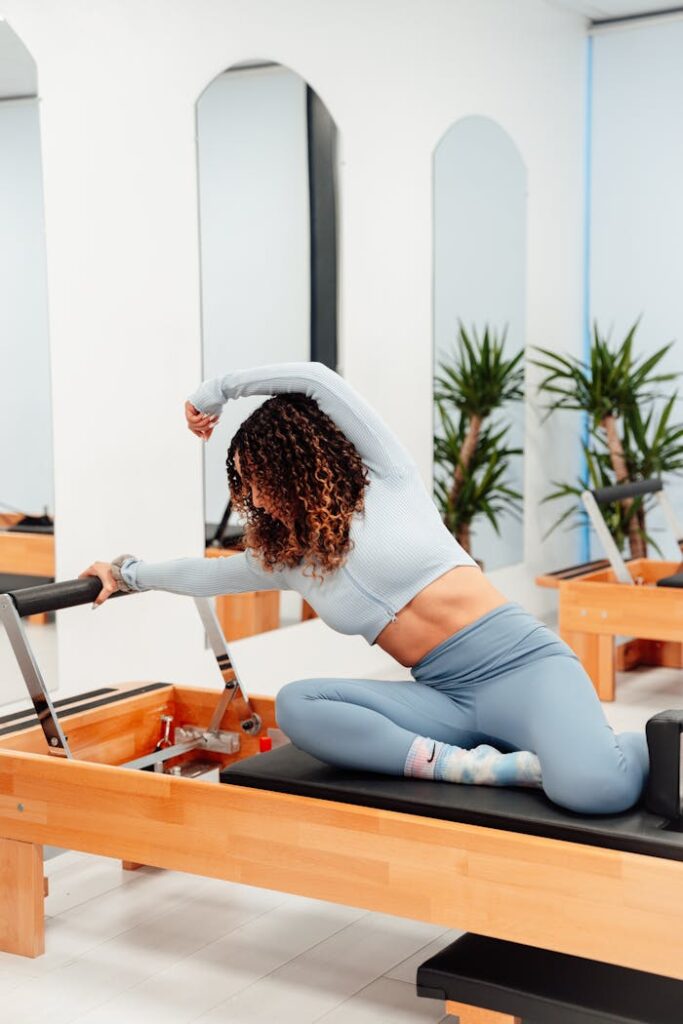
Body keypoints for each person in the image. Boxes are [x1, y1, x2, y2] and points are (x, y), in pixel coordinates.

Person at [79, 361, 650, 814]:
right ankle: (476, 767)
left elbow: (314, 379)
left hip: (522, 668)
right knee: (301, 706)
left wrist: (216, 391)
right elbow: (203, 573)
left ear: (298, 465)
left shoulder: (391, 481)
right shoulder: (287, 559)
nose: (257, 498)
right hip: (445, 699)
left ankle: (639, 742)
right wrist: (127, 573)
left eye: (263, 480)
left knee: (597, 791)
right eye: (248, 487)